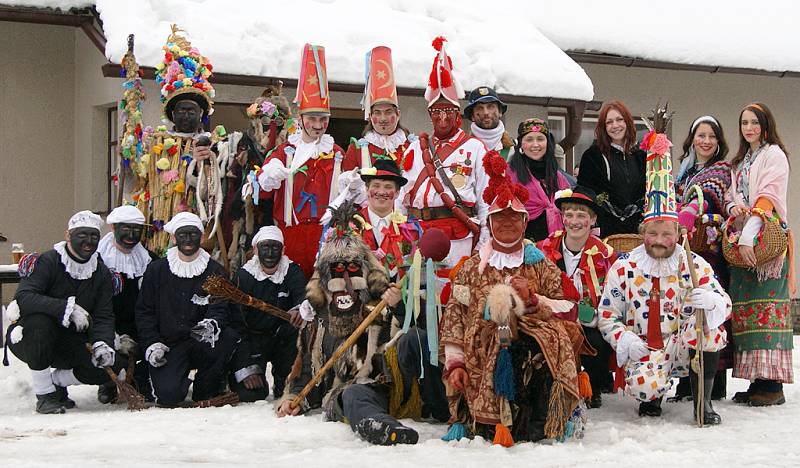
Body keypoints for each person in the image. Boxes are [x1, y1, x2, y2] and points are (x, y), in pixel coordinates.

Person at [440, 151, 590, 444]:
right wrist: (455, 364)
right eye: (500, 218)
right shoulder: (472, 267)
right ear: (490, 224)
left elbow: (569, 307)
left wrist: (534, 300)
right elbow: (455, 316)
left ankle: (539, 418)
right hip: (480, 350)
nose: (507, 223)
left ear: (524, 224)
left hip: (531, 347)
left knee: (551, 338)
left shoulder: (540, 263)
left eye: (514, 218)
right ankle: (493, 420)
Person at [598, 113, 730, 424]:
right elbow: (606, 315)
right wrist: (623, 339)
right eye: (653, 233)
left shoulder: (693, 264)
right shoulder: (625, 266)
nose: (660, 240)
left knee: (709, 333)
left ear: (678, 234)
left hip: (681, 342)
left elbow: (724, 303)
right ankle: (652, 396)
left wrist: (711, 303)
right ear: (642, 233)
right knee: (645, 388)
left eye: (667, 233)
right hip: (644, 345)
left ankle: (704, 403)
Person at [276, 202, 422, 446]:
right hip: (341, 397)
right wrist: (292, 397)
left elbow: (412, 333)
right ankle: (377, 426)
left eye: (352, 268)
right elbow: (303, 371)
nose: (345, 276)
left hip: (381, 386)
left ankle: (383, 424)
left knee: (357, 392)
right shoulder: (317, 320)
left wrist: (398, 306)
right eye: (337, 269)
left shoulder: (378, 307)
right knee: (350, 395)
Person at [255, 44, 356, 278]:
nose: (318, 125)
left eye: (323, 119)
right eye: (312, 118)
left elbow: (354, 199)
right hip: (290, 237)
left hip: (328, 237)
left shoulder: (337, 152)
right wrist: (268, 175)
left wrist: (354, 185)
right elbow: (262, 193)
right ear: (300, 119)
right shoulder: (286, 150)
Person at [6, 211, 118, 414]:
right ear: (68, 236)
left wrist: (103, 343)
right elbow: (24, 297)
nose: (88, 241)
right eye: (82, 235)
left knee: (113, 364)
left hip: (73, 342)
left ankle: (56, 382)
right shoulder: (48, 261)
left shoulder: (100, 272)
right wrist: (67, 308)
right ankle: (45, 395)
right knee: (40, 324)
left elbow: (104, 315)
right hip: (32, 339)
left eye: (93, 236)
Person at [130, 24, 222, 256]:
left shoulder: (213, 144)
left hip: (192, 214)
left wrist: (204, 165)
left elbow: (215, 187)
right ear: (172, 114)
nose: (186, 115)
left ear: (201, 114)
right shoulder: (157, 142)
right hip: (160, 218)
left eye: (192, 110)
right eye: (180, 110)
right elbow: (141, 177)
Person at [725, 102, 794, 406]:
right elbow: (732, 195)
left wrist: (749, 236)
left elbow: (768, 197)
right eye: (744, 123)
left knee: (768, 309)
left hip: (764, 240)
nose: (749, 128)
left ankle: (773, 385)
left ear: (766, 125)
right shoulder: (742, 160)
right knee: (748, 311)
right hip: (745, 236)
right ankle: (756, 381)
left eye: (754, 122)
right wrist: (732, 208)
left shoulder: (774, 155)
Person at [398, 37, 489, 267]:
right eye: (437, 112)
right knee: (419, 295)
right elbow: (403, 193)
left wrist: (484, 241)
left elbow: (486, 199)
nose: (443, 118)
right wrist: (398, 231)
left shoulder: (475, 148)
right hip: (418, 233)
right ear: (430, 115)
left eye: (448, 111)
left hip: (459, 234)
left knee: (455, 293)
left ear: (458, 114)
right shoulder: (415, 148)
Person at [135, 212, 239, 407]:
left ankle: (208, 384)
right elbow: (144, 312)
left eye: (193, 234)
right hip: (169, 344)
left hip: (202, 341)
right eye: (183, 235)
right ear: (174, 238)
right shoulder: (156, 270)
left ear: (201, 237)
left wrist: (211, 324)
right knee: (169, 396)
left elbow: (221, 307)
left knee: (227, 337)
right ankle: (150, 375)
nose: (188, 240)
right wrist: (152, 343)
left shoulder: (215, 270)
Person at [537, 186, 617, 407]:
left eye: (581, 215)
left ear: (592, 220)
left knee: (596, 341)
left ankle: (593, 385)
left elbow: (613, 299)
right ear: (562, 218)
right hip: (552, 319)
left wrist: (587, 315)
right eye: (569, 215)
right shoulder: (543, 248)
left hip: (592, 321)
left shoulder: (606, 255)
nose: (574, 221)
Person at [671, 115, 732, 402]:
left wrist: (688, 213)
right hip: (686, 250)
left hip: (709, 254)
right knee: (686, 309)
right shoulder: (685, 170)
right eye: (701, 135)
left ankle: (713, 384)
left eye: (711, 136)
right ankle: (687, 382)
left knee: (710, 313)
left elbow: (705, 197)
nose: (706, 141)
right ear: (692, 139)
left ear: (718, 143)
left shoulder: (721, 170)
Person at [229, 226, 306, 402]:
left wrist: (299, 309)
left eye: (275, 247)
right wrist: (245, 366)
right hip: (253, 341)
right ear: (255, 249)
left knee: (286, 392)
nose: (270, 253)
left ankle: (284, 378)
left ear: (283, 250)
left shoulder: (292, 271)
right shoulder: (244, 277)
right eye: (265, 247)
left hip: (284, 339)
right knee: (251, 394)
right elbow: (236, 324)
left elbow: (303, 295)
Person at [97, 205, 157, 402]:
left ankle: (139, 377)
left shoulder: (150, 261)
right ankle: (106, 382)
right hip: (107, 323)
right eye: (126, 230)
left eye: (136, 231)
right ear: (113, 228)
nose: (131, 235)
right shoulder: (98, 261)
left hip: (140, 322)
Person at [577, 100, 646, 237]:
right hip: (605, 232)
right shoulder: (593, 156)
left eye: (619, 120)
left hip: (637, 232)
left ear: (627, 122)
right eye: (609, 122)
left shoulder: (640, 156)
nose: (615, 125)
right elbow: (586, 193)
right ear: (603, 127)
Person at [345, 46, 413, 171]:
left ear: (398, 114)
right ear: (370, 116)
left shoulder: (412, 146)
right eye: (377, 113)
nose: (383, 119)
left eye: (388, 112)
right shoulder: (356, 149)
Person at [508, 118, 573, 242]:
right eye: (529, 139)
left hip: (557, 244)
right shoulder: (510, 175)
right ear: (521, 143)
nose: (535, 144)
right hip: (524, 244)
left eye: (540, 139)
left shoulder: (558, 177)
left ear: (547, 143)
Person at [463, 86, 514, 159]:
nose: (486, 112)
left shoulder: (515, 150)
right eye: (480, 108)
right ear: (472, 116)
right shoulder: (463, 149)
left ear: (500, 112)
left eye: (490, 107)